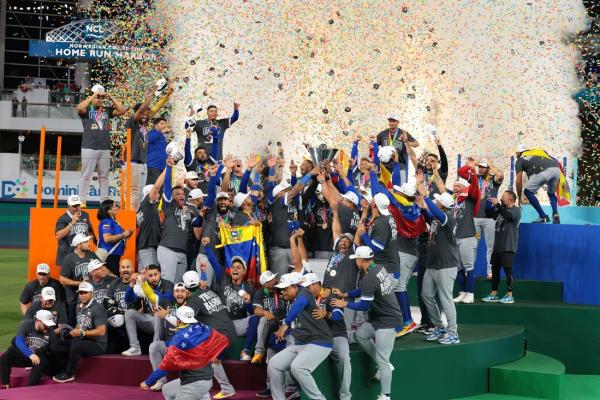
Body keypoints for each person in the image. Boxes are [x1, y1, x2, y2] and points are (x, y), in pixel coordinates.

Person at [331, 246, 402, 400]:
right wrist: (345, 294)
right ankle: (385, 364)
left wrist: (344, 303)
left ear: (361, 260)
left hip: (388, 321)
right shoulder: (378, 268)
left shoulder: (370, 278)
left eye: (356, 259)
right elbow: (363, 288)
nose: (355, 262)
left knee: (383, 362)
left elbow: (364, 306)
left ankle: (385, 396)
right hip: (378, 318)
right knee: (360, 335)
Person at [140, 306, 228, 400]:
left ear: (179, 320)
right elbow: (223, 340)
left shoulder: (179, 338)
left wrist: (148, 382)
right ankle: (203, 395)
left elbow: (167, 365)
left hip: (194, 383)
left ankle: (201, 394)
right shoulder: (202, 327)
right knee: (167, 390)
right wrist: (218, 357)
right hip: (206, 379)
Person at [268, 273, 333, 400]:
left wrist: (286, 323)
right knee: (274, 364)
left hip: (320, 342)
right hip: (301, 343)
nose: (283, 292)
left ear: (294, 286)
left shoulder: (304, 292)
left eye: (285, 289)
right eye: (282, 289)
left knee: (298, 367)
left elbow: (300, 303)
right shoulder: (294, 298)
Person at [415, 183, 460, 345]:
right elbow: (430, 217)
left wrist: (426, 196)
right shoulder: (437, 218)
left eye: (438, 201)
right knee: (426, 295)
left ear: (442, 205)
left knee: (445, 299)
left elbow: (435, 213)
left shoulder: (448, 218)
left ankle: (453, 333)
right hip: (433, 264)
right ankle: (439, 327)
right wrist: (422, 207)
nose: (436, 202)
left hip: (446, 265)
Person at [185, 271, 238, 399]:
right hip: (230, 330)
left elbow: (186, 321)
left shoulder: (193, 300)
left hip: (220, 335)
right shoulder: (209, 292)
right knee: (210, 357)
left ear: (186, 288)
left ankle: (225, 388)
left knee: (209, 357)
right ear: (199, 284)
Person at [203, 245, 257, 362]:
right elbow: (214, 262)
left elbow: (252, 312)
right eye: (233, 267)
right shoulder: (224, 279)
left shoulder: (249, 289)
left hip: (236, 324)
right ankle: (217, 358)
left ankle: (245, 351)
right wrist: (207, 247)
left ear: (244, 271)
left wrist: (248, 303)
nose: (235, 269)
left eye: (238, 267)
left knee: (254, 319)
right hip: (221, 323)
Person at [76, 84, 127, 205]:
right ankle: (81, 201)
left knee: (104, 177)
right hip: (89, 147)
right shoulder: (87, 109)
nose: (100, 99)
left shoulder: (106, 110)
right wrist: (93, 95)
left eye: (101, 97)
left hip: (105, 148)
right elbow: (79, 108)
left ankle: (104, 202)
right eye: (98, 97)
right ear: (92, 96)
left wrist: (111, 97)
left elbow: (122, 110)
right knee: (86, 176)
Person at [306, 273, 352, 400]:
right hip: (318, 338)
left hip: (336, 335)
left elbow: (338, 315)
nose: (307, 290)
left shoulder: (332, 296)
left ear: (316, 284)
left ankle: (345, 396)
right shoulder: (308, 298)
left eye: (308, 286)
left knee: (344, 358)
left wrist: (326, 314)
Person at [52, 282, 107, 383]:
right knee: (57, 345)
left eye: (85, 293)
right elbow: (79, 324)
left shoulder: (98, 308)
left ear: (92, 293)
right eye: (80, 293)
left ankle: (70, 374)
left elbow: (101, 331)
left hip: (98, 345)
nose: (82, 295)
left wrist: (82, 333)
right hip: (82, 340)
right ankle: (63, 370)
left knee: (76, 346)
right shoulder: (79, 307)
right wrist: (73, 332)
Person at [158, 158, 200, 283]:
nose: (181, 195)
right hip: (168, 249)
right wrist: (169, 167)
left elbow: (197, 227)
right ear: (172, 196)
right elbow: (167, 187)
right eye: (177, 194)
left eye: (182, 194)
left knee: (179, 286)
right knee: (168, 283)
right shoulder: (169, 206)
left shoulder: (191, 210)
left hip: (183, 252)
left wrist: (200, 216)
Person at [146, 282, 189, 391]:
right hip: (170, 343)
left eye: (182, 291)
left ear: (187, 293)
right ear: (173, 293)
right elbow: (150, 295)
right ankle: (161, 381)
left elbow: (185, 325)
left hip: (186, 347)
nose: (180, 294)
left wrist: (167, 315)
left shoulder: (191, 305)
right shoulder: (168, 302)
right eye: (177, 291)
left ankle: (189, 382)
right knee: (154, 346)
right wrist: (143, 283)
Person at [122, 265, 174, 356]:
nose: (153, 278)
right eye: (150, 275)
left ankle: (155, 348)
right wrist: (132, 284)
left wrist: (148, 290)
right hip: (150, 320)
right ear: (146, 276)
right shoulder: (143, 285)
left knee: (158, 314)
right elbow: (128, 300)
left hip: (165, 323)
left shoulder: (167, 284)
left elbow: (168, 297)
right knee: (129, 313)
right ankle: (135, 348)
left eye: (155, 275)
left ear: (160, 274)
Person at [450, 161, 481, 305]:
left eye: (457, 186)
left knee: (469, 267)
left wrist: (472, 169)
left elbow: (474, 185)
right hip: (455, 237)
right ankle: (462, 292)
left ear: (464, 187)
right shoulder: (454, 200)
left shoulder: (470, 197)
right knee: (458, 267)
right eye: (454, 186)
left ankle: (471, 293)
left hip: (467, 237)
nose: (454, 188)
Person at [482, 190, 522, 304]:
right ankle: (494, 294)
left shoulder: (516, 210)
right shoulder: (501, 209)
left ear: (510, 199)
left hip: (508, 245)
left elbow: (508, 216)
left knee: (508, 270)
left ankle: (510, 295)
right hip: (497, 246)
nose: (501, 198)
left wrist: (498, 205)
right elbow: (490, 214)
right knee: (494, 270)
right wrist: (487, 203)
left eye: (504, 197)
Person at [0, 310, 57, 388]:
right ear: (38, 321)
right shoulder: (27, 324)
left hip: (38, 357)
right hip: (25, 354)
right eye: (46, 324)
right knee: (7, 355)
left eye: (49, 325)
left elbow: (54, 349)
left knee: (42, 360)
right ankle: (5, 384)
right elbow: (18, 341)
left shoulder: (51, 332)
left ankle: (29, 388)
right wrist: (30, 354)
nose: (48, 327)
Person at [515, 145, 563, 224]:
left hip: (545, 171)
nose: (516, 155)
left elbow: (519, 181)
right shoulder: (537, 152)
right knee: (551, 193)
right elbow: (553, 159)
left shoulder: (520, 160)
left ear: (519, 152)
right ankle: (555, 213)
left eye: (516, 153)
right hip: (556, 169)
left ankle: (543, 216)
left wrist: (519, 197)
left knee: (527, 191)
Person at [474, 158, 504, 279]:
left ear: (487, 168)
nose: (480, 169)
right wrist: (472, 165)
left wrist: (491, 166)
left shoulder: (493, 179)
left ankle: (490, 271)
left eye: (483, 167)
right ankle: (469, 271)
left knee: (490, 246)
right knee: (473, 245)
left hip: (490, 219)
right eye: (479, 166)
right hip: (475, 218)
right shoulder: (475, 178)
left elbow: (500, 174)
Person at [59, 234, 97, 326]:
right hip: (73, 295)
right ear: (79, 245)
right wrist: (80, 283)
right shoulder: (69, 259)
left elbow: (101, 268)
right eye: (86, 242)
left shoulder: (92, 255)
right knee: (72, 320)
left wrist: (112, 275)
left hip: (90, 292)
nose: (89, 244)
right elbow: (62, 280)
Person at [376, 113, 419, 185]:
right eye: (390, 121)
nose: (391, 123)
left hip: (400, 165)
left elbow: (416, 144)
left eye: (394, 121)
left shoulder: (403, 133)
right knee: (383, 186)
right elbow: (374, 144)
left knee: (401, 187)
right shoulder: (383, 133)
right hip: (385, 166)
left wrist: (406, 141)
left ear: (398, 122)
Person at [136, 168, 166, 271]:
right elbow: (157, 186)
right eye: (156, 193)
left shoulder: (141, 208)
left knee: (143, 277)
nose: (158, 194)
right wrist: (167, 169)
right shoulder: (147, 204)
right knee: (152, 275)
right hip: (149, 247)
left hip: (143, 247)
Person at [54, 194, 94, 267]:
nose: (77, 208)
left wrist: (94, 240)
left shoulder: (85, 215)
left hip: (82, 253)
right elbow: (58, 236)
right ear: (68, 206)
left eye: (79, 205)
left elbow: (89, 229)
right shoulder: (63, 219)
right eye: (75, 206)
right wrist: (72, 223)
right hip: (66, 254)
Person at [251, 270, 281, 365]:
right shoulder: (260, 293)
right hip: (270, 321)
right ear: (265, 284)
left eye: (274, 278)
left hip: (282, 322)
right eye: (271, 280)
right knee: (263, 320)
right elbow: (256, 311)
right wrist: (264, 312)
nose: (275, 280)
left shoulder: (280, 289)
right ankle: (259, 353)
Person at [97, 199, 134, 275]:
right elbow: (107, 238)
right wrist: (123, 235)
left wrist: (127, 233)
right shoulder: (107, 221)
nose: (117, 208)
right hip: (109, 256)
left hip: (114, 255)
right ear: (108, 210)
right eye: (114, 206)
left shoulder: (114, 221)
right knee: (112, 278)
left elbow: (119, 237)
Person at [146, 117, 170, 185]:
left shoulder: (161, 136)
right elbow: (149, 139)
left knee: (159, 189)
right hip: (153, 166)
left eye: (165, 124)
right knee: (152, 188)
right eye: (162, 124)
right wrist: (161, 132)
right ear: (155, 125)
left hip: (161, 168)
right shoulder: (151, 133)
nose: (164, 126)